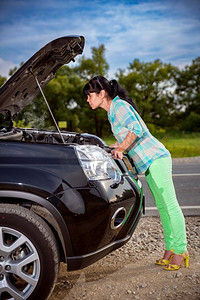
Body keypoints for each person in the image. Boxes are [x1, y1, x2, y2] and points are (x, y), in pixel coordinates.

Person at [83, 75, 189, 271]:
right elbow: (127, 136)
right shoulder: (112, 112)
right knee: (163, 208)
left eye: (89, 95)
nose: (88, 100)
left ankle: (181, 250)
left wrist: (121, 148)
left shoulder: (119, 106)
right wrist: (113, 146)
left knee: (170, 205)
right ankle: (170, 249)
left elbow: (137, 129)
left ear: (102, 93)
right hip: (149, 163)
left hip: (156, 158)